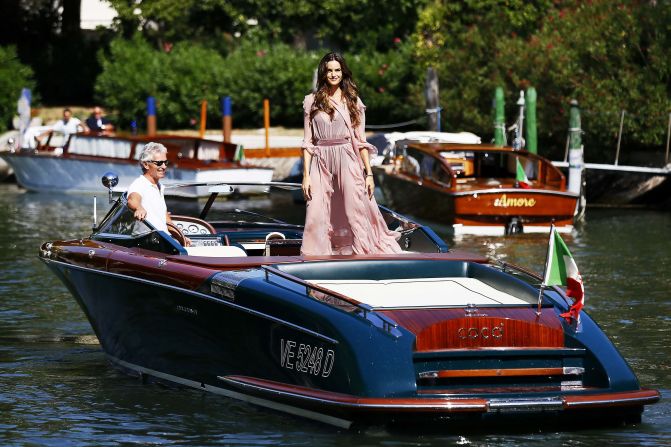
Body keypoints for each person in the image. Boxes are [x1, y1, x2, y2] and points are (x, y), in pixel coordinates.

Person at [300, 52, 402, 255]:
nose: (333, 74)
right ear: (323, 73)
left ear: (343, 72)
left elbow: (361, 141)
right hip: (320, 159)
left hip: (347, 157)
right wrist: (306, 175)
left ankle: (362, 252)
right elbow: (307, 142)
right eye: (329, 70)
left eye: (337, 70)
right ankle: (315, 257)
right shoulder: (311, 101)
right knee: (315, 211)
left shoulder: (352, 101)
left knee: (353, 209)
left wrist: (369, 173)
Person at [127, 142, 191, 246]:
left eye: (166, 162)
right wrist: (139, 208)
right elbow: (132, 200)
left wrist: (181, 238)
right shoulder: (139, 184)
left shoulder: (159, 186)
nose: (164, 166)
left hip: (162, 240)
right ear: (146, 164)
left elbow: (166, 220)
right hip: (145, 243)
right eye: (159, 163)